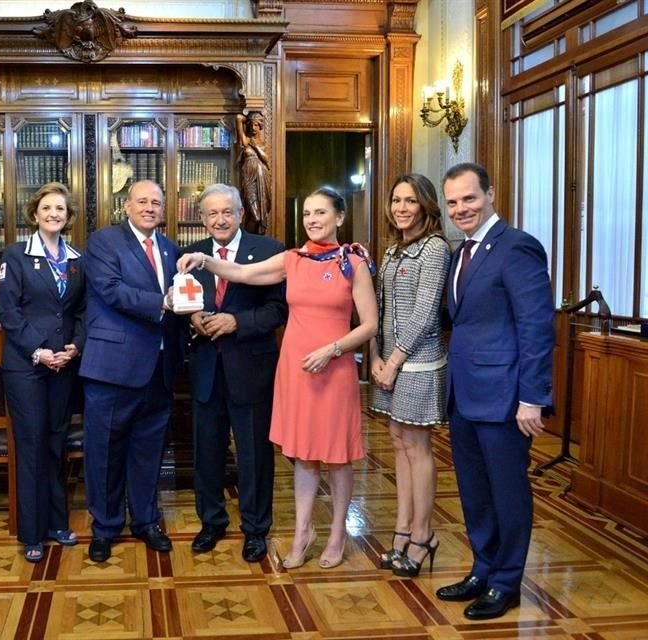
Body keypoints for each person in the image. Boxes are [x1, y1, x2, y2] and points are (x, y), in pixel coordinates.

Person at [178, 186, 377, 570]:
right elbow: (240, 272)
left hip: (332, 367)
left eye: (321, 213)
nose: (313, 220)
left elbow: (370, 324)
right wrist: (203, 258)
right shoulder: (292, 258)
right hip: (297, 369)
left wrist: (333, 350)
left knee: (336, 456)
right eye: (306, 214)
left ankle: (337, 534)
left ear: (339, 217)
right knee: (301, 456)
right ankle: (304, 532)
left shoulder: (353, 260)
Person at [435, 162, 554, 620]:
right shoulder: (458, 252)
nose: (461, 208)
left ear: (489, 194)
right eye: (453, 202)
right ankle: (483, 569)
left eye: (469, 198)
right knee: (474, 492)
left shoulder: (516, 247)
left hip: (506, 398)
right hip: (464, 395)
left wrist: (533, 397)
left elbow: (536, 326)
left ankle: (507, 582)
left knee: (506, 492)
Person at [79, 180, 183, 563]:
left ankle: (145, 520)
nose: (150, 208)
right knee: (104, 450)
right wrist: (164, 301)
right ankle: (105, 527)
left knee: (149, 450)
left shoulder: (171, 249)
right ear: (127, 206)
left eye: (156, 202)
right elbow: (110, 290)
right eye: (142, 201)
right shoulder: (105, 242)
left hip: (159, 367)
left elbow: (181, 301)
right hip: (112, 367)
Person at [183, 183, 286, 562]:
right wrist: (191, 317)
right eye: (211, 213)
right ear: (203, 218)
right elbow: (181, 305)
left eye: (227, 212)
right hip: (206, 368)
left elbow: (278, 311)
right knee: (206, 451)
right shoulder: (190, 255)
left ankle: (256, 529)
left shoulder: (270, 251)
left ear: (241, 213)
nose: (220, 219)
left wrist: (235, 321)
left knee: (254, 454)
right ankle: (211, 522)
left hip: (251, 367)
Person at [0, 183, 86, 563]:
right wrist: (39, 351)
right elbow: (8, 312)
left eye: (60, 209)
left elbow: (82, 312)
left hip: (63, 367)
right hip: (27, 367)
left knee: (56, 444)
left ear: (68, 217)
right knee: (31, 445)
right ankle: (32, 532)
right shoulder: (16, 256)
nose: (53, 214)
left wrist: (74, 347)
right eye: (47, 208)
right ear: (35, 214)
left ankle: (56, 523)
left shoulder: (77, 259)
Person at [368, 174, 451, 577]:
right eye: (396, 200)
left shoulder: (435, 249)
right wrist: (374, 358)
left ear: (426, 207)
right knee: (398, 443)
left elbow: (425, 312)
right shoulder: (392, 251)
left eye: (410, 201)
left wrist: (395, 361)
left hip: (418, 362)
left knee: (417, 447)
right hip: (387, 363)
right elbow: (379, 311)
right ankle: (401, 530)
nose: (401, 207)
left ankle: (423, 534)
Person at [235, 112, 272, 235]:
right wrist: (247, 118)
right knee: (254, 214)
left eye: (256, 125)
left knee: (261, 214)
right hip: (248, 177)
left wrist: (255, 147)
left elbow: (266, 160)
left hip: (262, 175)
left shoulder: (262, 144)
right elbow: (238, 118)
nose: (253, 128)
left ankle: (255, 239)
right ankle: (248, 238)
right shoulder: (245, 140)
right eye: (251, 125)